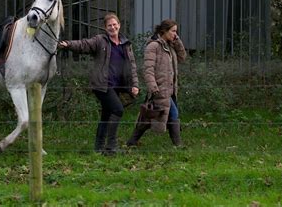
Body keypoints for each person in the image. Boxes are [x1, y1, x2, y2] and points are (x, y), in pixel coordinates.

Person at [58, 13, 139, 155]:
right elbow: (84, 44)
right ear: (105, 28)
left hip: (117, 86)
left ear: (119, 25)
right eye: (109, 25)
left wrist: (135, 84)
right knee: (118, 109)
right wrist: (68, 44)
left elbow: (132, 65)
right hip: (102, 85)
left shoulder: (126, 44)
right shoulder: (100, 41)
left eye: (115, 25)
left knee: (106, 115)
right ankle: (111, 147)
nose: (112, 27)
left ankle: (98, 147)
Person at [126, 19, 186, 147]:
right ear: (164, 31)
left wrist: (177, 41)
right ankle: (178, 145)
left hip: (170, 90)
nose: (175, 34)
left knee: (150, 117)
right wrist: (153, 87)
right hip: (159, 89)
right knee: (171, 114)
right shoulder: (153, 46)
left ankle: (131, 142)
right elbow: (148, 69)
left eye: (176, 31)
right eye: (173, 31)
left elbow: (182, 57)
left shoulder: (170, 45)